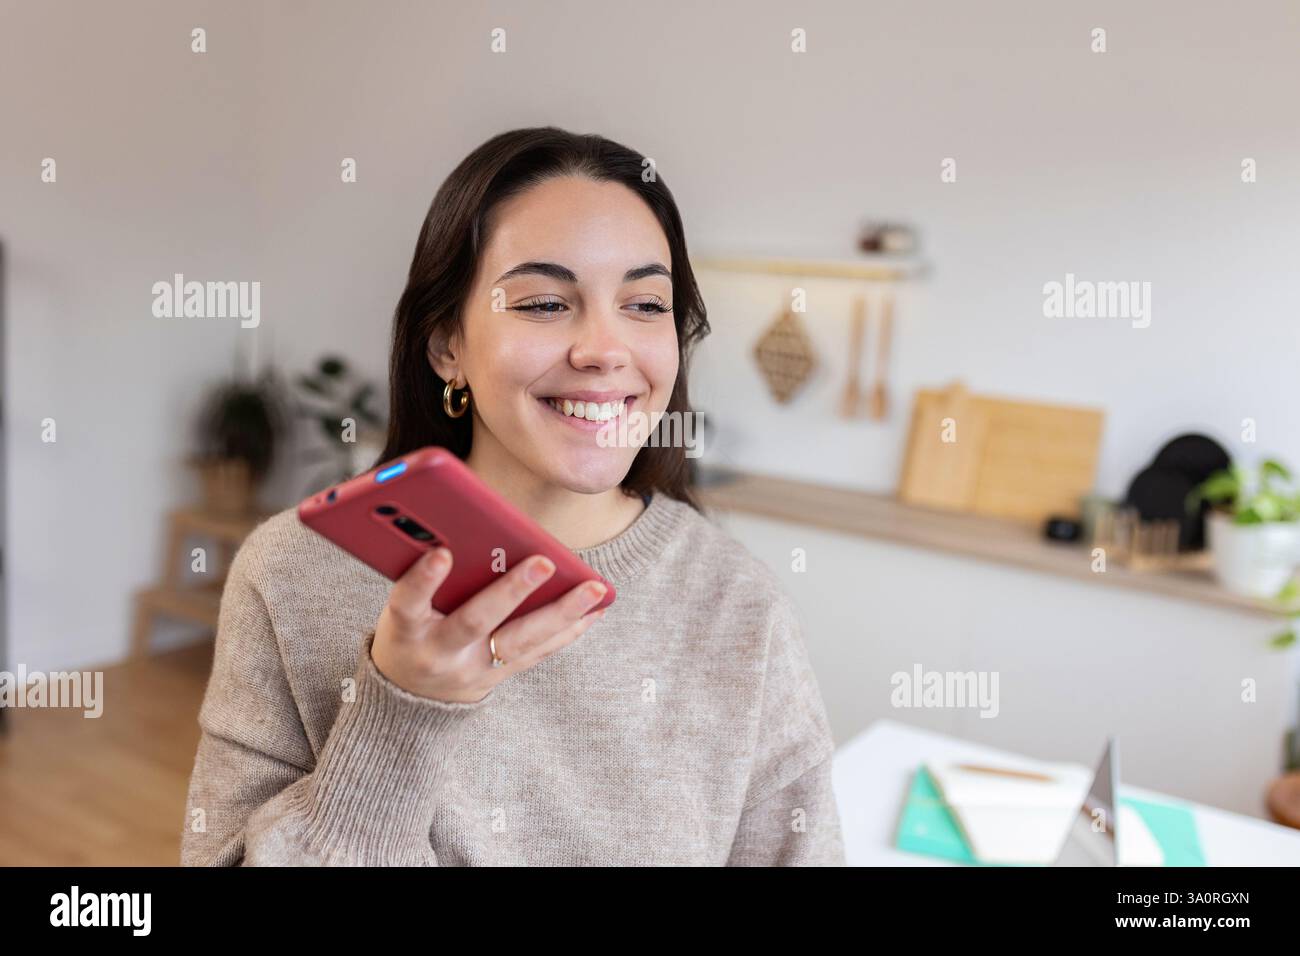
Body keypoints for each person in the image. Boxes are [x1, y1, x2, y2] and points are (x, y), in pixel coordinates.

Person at [180, 126, 844, 866]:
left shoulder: (739, 605)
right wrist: (399, 711)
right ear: (447, 346)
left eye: (646, 304)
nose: (605, 350)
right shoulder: (292, 575)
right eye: (545, 303)